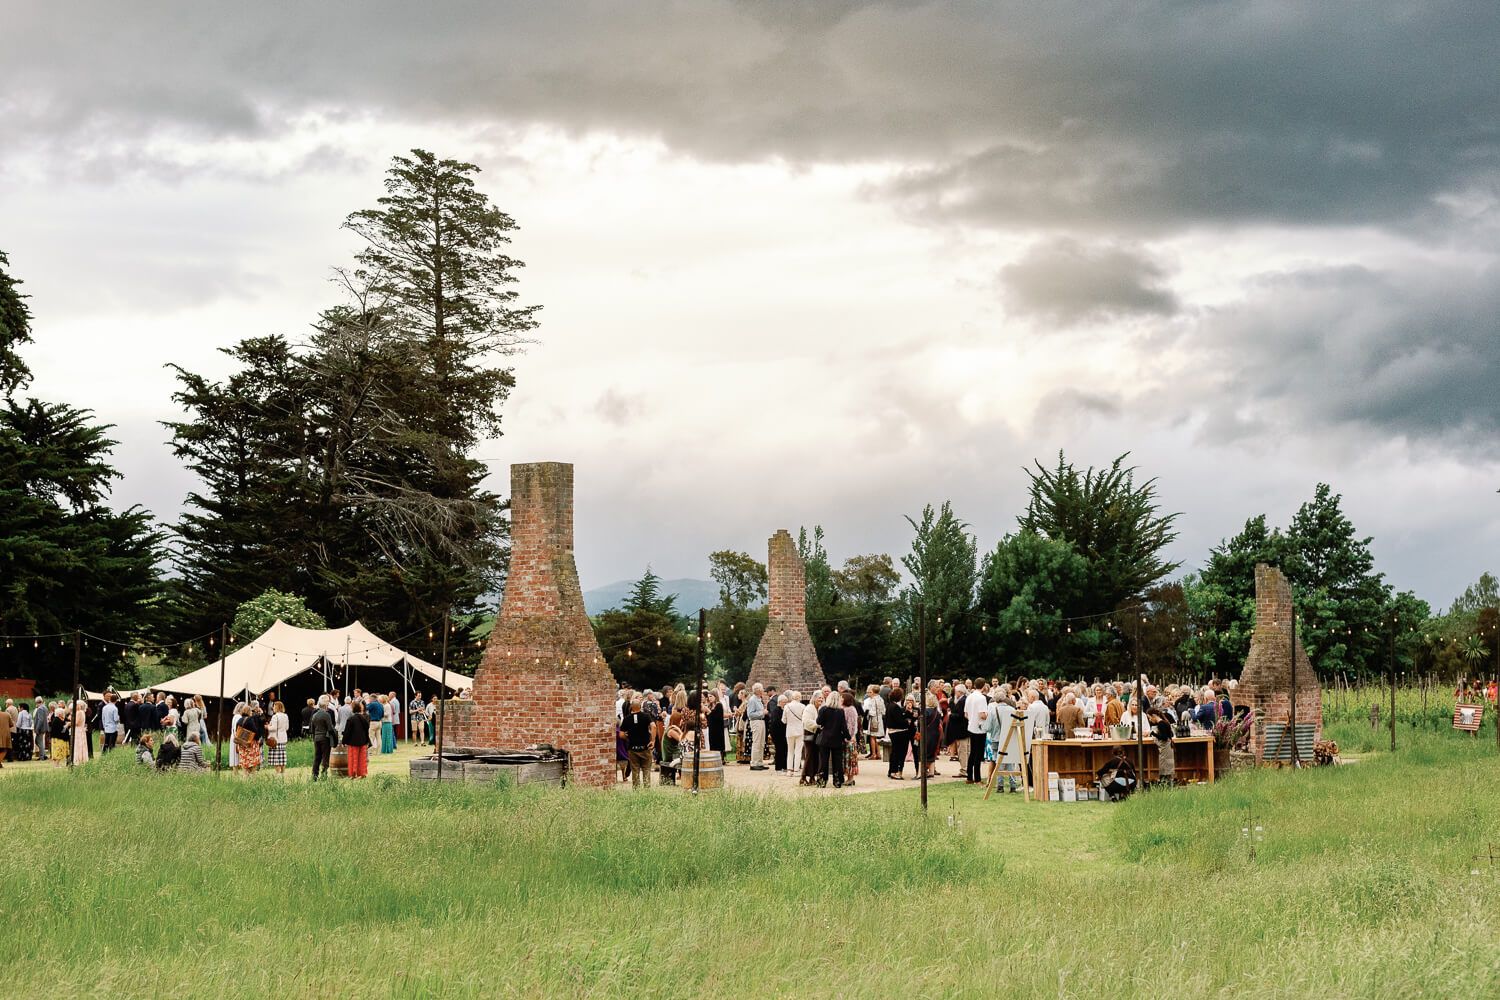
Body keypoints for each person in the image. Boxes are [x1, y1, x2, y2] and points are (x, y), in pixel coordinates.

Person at [814, 689, 849, 788]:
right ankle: (837, 781)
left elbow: (818, 722)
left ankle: (821, 781)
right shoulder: (840, 711)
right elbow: (843, 727)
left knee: (823, 761)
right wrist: (848, 736)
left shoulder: (823, 709)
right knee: (837, 761)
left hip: (825, 738)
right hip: (837, 739)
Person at [619, 695, 654, 789]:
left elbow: (621, 735)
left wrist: (628, 737)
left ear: (631, 707)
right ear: (640, 707)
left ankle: (636, 790)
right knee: (646, 770)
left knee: (635, 770)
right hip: (645, 747)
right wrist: (653, 740)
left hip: (633, 748)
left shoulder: (626, 719)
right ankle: (647, 790)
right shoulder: (646, 716)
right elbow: (653, 726)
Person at [963, 683, 988, 784]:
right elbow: (982, 715)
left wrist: (972, 719)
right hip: (980, 728)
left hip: (971, 726)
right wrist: (988, 715)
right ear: (983, 686)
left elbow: (966, 714)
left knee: (972, 752)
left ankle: (969, 776)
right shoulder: (981, 698)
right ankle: (977, 778)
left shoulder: (969, 696)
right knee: (979, 754)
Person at [884, 686, 911, 779]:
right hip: (899, 732)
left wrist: (905, 712)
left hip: (892, 732)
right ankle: (894, 771)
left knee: (894, 752)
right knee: (898, 753)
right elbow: (900, 721)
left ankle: (891, 770)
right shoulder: (895, 707)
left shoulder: (889, 705)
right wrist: (907, 722)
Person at [342, 700, 371, 778]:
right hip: (363, 741)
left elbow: (347, 732)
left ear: (352, 709)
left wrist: (344, 741)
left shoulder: (351, 719)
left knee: (353, 758)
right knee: (362, 759)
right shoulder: (363, 718)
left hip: (353, 742)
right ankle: (362, 773)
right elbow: (367, 728)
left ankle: (353, 774)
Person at [309, 695, 336, 780]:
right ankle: (324, 775)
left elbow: (311, 729)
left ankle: (314, 775)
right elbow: (330, 728)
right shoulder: (326, 715)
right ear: (325, 705)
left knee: (317, 757)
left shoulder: (314, 715)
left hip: (316, 738)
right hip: (325, 738)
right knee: (325, 757)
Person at [745, 683, 768, 770]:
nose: (763, 690)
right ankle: (754, 763)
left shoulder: (759, 699)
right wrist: (762, 712)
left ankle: (759, 762)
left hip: (761, 721)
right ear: (758, 690)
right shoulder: (752, 700)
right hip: (756, 722)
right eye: (762, 689)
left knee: (761, 743)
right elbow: (750, 714)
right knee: (757, 742)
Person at [783, 691, 806, 775]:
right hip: (800, 730)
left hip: (789, 730)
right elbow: (804, 719)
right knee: (798, 751)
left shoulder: (787, 706)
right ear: (800, 697)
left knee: (790, 751)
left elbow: (783, 720)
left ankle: (789, 770)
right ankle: (796, 770)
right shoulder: (803, 706)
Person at [266, 701, 290, 774]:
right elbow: (287, 728)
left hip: (275, 739)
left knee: (276, 758)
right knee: (282, 758)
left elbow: (274, 728)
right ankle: (282, 772)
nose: (272, 708)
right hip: (283, 739)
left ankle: (277, 773)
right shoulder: (285, 716)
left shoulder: (275, 716)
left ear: (276, 707)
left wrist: (267, 727)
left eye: (273, 706)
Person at [71, 700, 89, 766]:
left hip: (78, 729)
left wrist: (71, 721)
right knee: (82, 744)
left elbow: (77, 723)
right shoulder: (82, 712)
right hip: (82, 729)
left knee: (78, 744)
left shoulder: (78, 712)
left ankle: (78, 758)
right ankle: (82, 758)